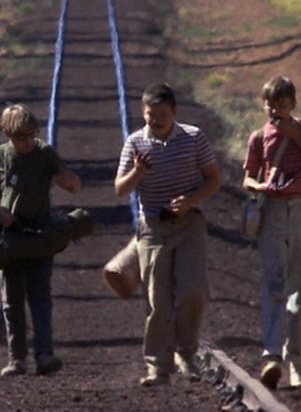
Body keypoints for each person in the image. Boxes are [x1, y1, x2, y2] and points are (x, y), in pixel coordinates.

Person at [114, 82, 221, 387]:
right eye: (151, 115)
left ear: (174, 111)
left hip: (189, 223)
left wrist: (191, 200)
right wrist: (137, 172)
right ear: (143, 112)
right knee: (157, 300)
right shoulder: (135, 142)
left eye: (163, 115)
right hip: (154, 227)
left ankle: (186, 354)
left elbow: (213, 179)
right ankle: (157, 366)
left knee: (193, 292)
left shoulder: (193, 137)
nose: (157, 121)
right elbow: (120, 189)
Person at [242, 75, 301, 390]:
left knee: (298, 292)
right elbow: (248, 177)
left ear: (293, 104)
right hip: (273, 212)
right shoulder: (258, 138)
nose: (275, 111)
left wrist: (297, 137)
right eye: (271, 105)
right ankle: (271, 356)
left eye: (282, 105)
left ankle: (296, 362)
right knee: (273, 285)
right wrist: (259, 186)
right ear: (263, 105)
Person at [0, 103, 81, 377]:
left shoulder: (45, 153)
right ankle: (17, 358)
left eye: (31, 135)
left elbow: (67, 180)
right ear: (7, 134)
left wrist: (69, 182)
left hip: (40, 236)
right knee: (11, 301)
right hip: (10, 236)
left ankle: (44, 354)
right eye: (20, 137)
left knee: (40, 297)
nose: (26, 142)